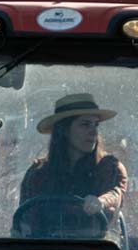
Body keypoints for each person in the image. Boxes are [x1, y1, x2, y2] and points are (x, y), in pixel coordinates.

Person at [17, 93, 128, 237]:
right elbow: (25, 218)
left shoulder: (110, 167)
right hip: (44, 249)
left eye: (96, 125)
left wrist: (100, 202)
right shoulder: (38, 173)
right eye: (85, 124)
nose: (94, 132)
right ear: (63, 130)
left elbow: (115, 193)